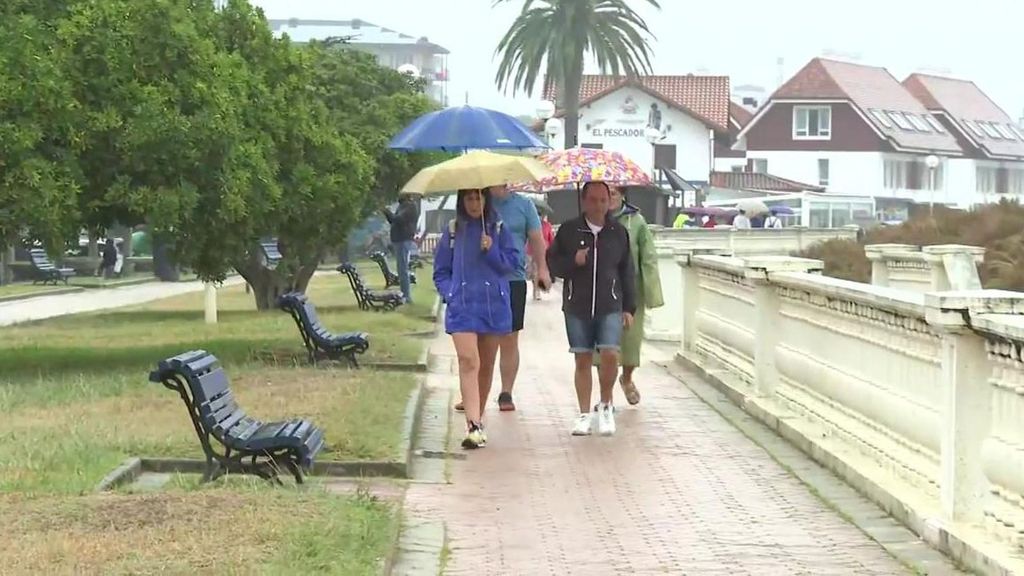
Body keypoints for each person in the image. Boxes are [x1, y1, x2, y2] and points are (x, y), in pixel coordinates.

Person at [547, 181, 635, 436]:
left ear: (610, 202)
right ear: (584, 201)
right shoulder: (569, 231)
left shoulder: (618, 232)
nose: (598, 206)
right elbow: (554, 265)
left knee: (610, 353)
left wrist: (629, 307)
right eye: (593, 200)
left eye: (603, 200)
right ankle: (584, 413)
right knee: (582, 358)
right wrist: (573, 261)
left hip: (610, 303)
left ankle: (605, 404)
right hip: (578, 304)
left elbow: (627, 271)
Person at [454, 184, 551, 413]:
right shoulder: (478, 200)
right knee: (479, 341)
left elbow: (536, 239)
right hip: (482, 280)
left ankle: (506, 391)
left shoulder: (524, 205)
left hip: (513, 278)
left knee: (509, 337)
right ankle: (473, 394)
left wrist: (543, 269)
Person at [433, 188, 518, 449]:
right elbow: (440, 271)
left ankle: (478, 420)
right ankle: (472, 423)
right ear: (461, 201)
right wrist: (451, 293)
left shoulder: (499, 228)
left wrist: (491, 250)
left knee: (486, 364)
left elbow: (512, 264)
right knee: (469, 360)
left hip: (492, 305)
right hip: (463, 306)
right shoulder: (452, 231)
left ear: (486, 199)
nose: (474, 203)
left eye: (478, 198)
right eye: (468, 198)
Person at [598, 186, 664, 405]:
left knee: (631, 342)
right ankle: (604, 396)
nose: (610, 199)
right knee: (603, 346)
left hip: (630, 290)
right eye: (606, 196)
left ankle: (626, 378)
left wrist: (652, 293)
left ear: (623, 195)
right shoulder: (595, 221)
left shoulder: (636, 222)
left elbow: (649, 258)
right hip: (602, 291)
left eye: (614, 194)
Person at [383, 195, 420, 304]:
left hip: (403, 239)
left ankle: (406, 296)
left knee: (403, 269)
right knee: (401, 268)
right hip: (398, 240)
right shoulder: (402, 206)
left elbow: (398, 219)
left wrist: (386, 211)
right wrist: (386, 212)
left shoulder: (410, 206)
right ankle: (404, 294)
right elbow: (393, 220)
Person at [529, 213, 555, 300]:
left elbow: (551, 238)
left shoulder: (547, 226)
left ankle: (540, 288)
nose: (539, 217)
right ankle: (536, 291)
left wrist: (552, 249)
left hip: (546, 251)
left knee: (541, 271)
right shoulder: (531, 224)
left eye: (540, 215)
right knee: (536, 272)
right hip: (533, 251)